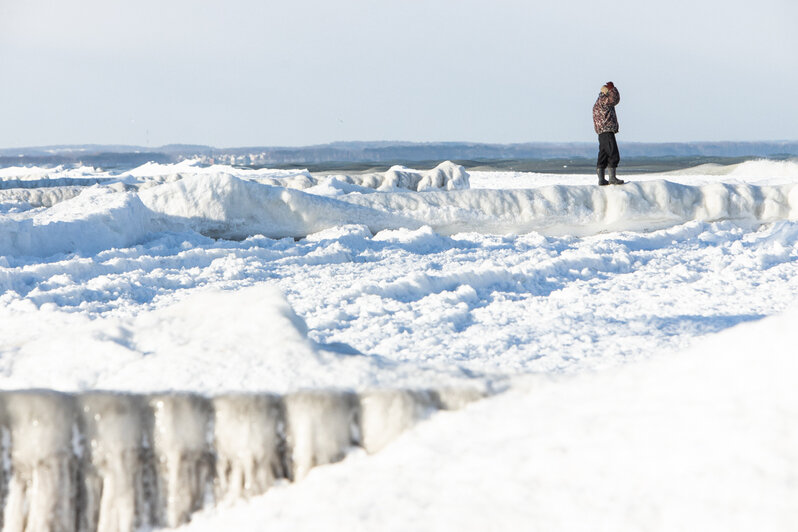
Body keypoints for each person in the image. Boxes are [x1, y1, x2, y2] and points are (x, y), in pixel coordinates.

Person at [593, 81, 624, 185]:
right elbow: (615, 99)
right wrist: (612, 88)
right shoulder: (604, 100)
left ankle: (601, 179)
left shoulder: (598, 102)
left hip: (601, 131)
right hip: (607, 129)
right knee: (613, 153)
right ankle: (612, 178)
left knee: (603, 154)